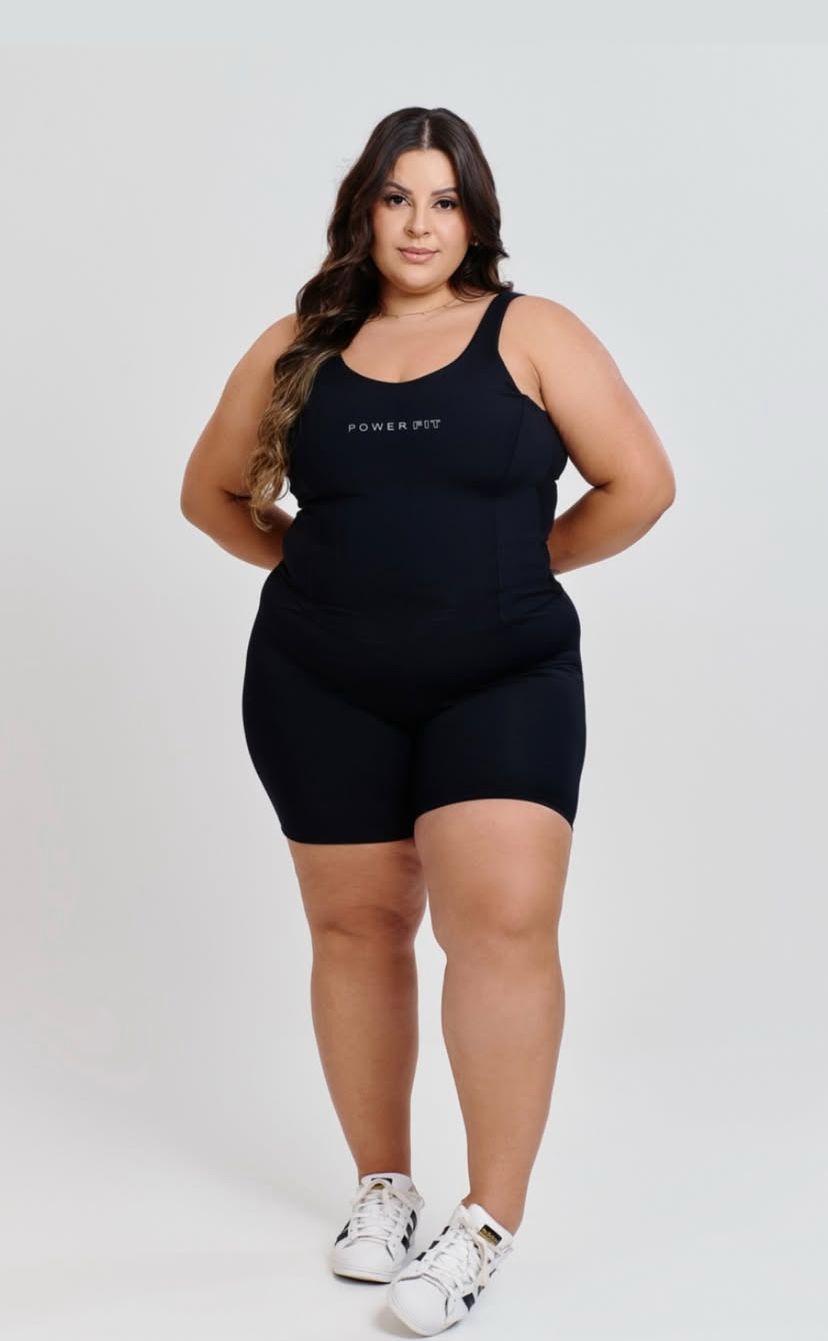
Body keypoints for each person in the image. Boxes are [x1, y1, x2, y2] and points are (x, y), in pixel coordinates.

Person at [180, 105, 675, 1337]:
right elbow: (212, 495)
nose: (419, 224)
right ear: (363, 211)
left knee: (498, 924)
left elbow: (640, 484)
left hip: (500, 675)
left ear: (475, 217)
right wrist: (325, 574)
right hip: (319, 678)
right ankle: (382, 1189)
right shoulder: (298, 346)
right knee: (356, 926)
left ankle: (484, 1222)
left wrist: (520, 567)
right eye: (397, 198)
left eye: (443, 201)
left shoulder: (533, 332)